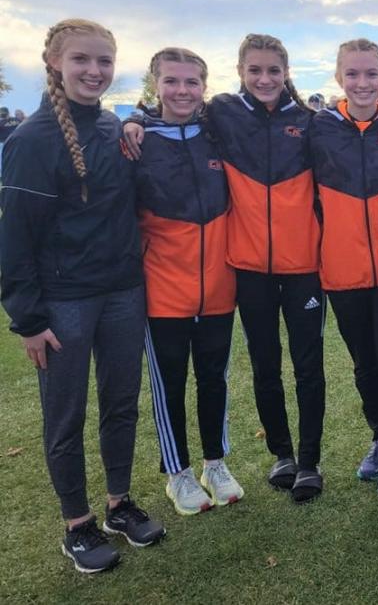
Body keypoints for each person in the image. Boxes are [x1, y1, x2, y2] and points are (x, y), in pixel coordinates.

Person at [125, 34, 325, 504]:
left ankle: (310, 461)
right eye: (255, 70)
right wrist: (135, 118)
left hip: (304, 268)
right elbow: (165, 119)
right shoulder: (223, 114)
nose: (264, 79)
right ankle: (282, 454)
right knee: (264, 365)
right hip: (247, 268)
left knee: (308, 365)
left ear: (286, 71)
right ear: (239, 72)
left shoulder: (309, 122)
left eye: (273, 70)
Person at [0, 18, 165, 574]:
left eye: (103, 62)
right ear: (53, 63)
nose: (93, 72)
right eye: (81, 61)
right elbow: (15, 237)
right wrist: (26, 318)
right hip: (64, 302)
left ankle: (119, 504)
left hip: (123, 291)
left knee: (121, 404)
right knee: (64, 415)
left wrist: (138, 120)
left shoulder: (114, 128)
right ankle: (78, 523)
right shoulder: (31, 140)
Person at [134, 47, 243, 516]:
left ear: (204, 86)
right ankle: (177, 472)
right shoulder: (137, 140)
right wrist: (131, 121)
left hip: (219, 286)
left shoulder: (217, 136)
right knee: (171, 384)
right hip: (163, 290)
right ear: (155, 84)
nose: (182, 91)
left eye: (191, 82)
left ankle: (214, 463)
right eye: (172, 81)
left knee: (214, 378)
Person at [310, 39, 378, 496]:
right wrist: (138, 122)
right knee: (364, 365)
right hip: (341, 267)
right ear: (339, 78)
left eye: (370, 73)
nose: (361, 82)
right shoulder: (318, 126)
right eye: (352, 74)